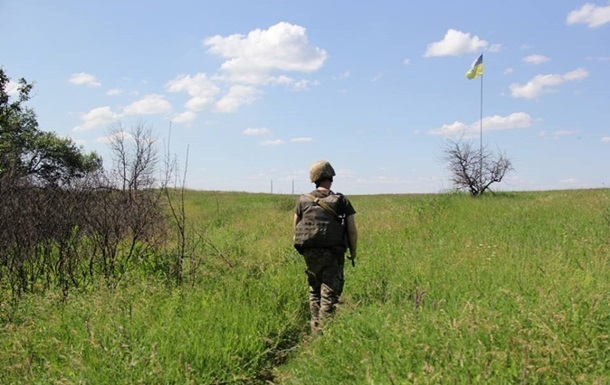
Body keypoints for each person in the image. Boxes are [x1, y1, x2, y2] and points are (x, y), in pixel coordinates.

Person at [293, 160, 358, 334]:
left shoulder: (303, 200)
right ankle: (325, 333)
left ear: (314, 179)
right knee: (330, 290)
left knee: (314, 289)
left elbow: (296, 228)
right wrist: (353, 251)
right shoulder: (341, 201)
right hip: (333, 252)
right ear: (331, 177)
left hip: (310, 252)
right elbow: (352, 231)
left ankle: (315, 329)